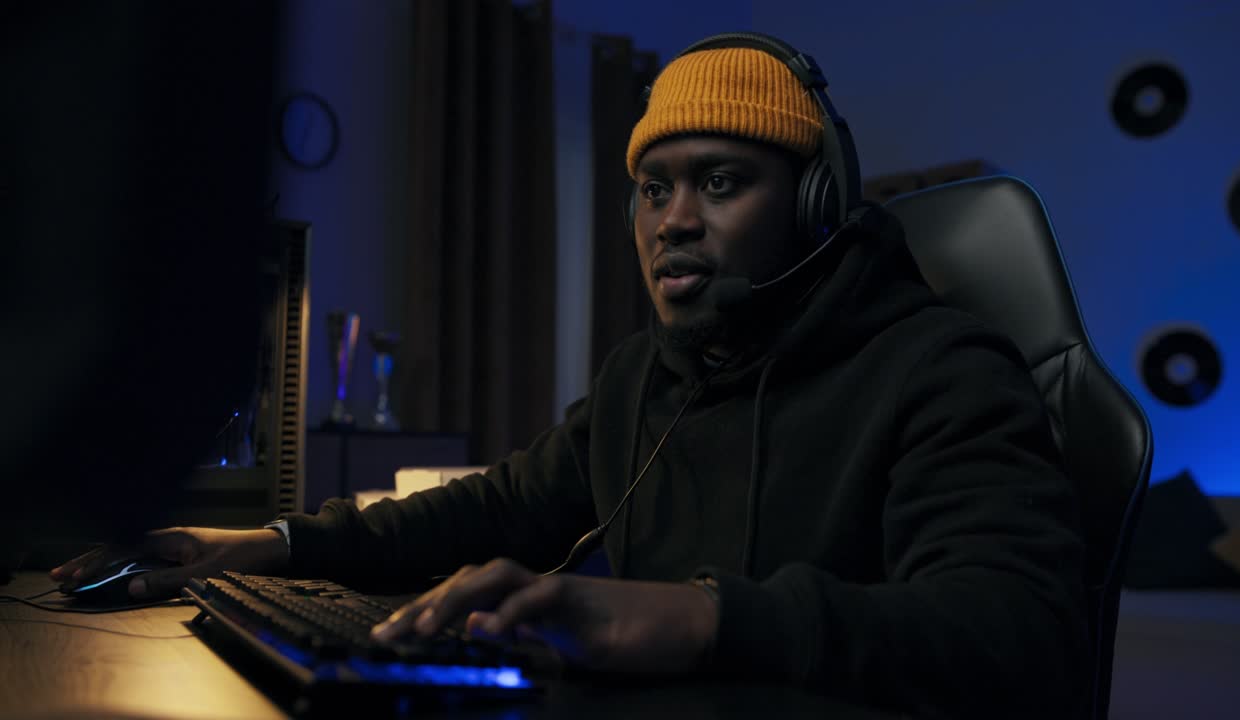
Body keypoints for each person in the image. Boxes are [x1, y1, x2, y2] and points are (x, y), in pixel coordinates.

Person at [52, 34, 1088, 717]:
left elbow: (1015, 634)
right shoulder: (650, 377)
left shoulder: (943, 371)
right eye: (651, 188)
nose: (671, 220)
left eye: (720, 182)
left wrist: (692, 614)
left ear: (814, 203)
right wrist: (267, 545)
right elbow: (488, 511)